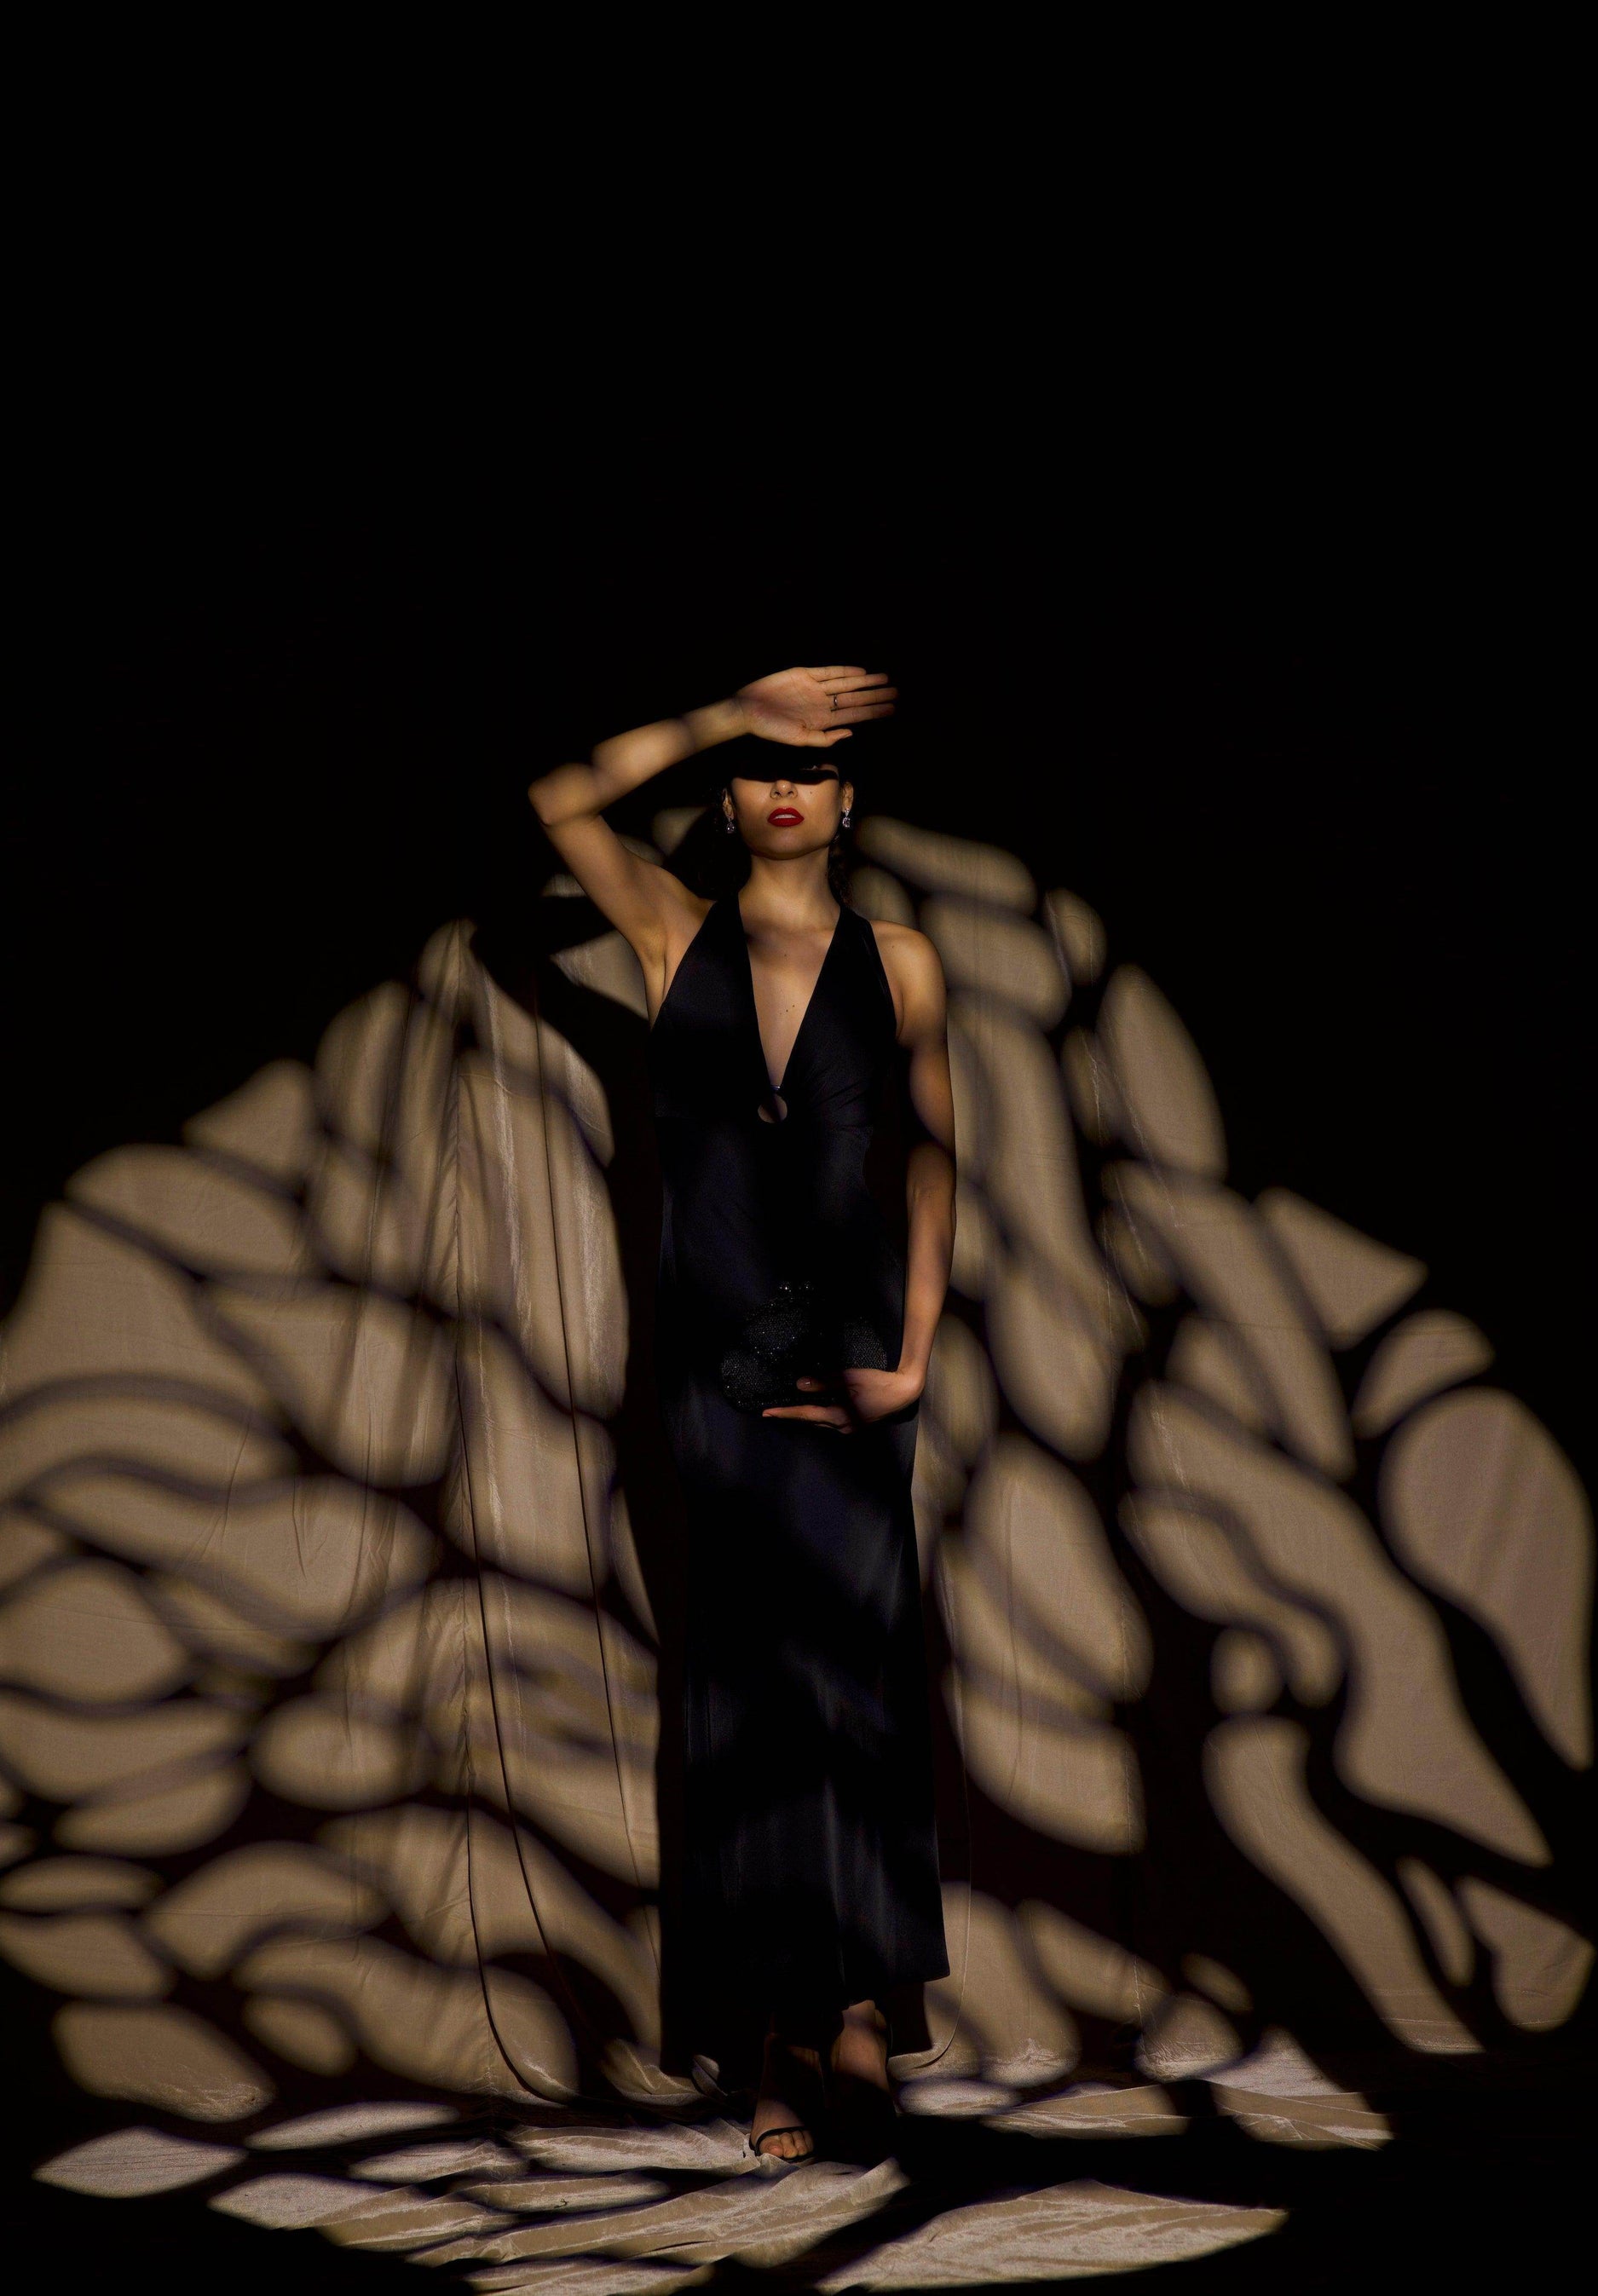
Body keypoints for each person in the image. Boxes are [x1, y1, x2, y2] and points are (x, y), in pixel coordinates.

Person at [530, 666, 953, 2162]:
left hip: (855, 1357)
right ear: (724, 800)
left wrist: (914, 1356)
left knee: (857, 1679)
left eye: (810, 768)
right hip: (717, 1364)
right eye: (762, 767)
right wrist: (729, 706)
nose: (786, 785)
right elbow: (556, 801)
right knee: (752, 1690)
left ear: (848, 803)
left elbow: (930, 1160)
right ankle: (776, 2026)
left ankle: (864, 2009)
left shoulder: (901, 960)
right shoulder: (669, 932)